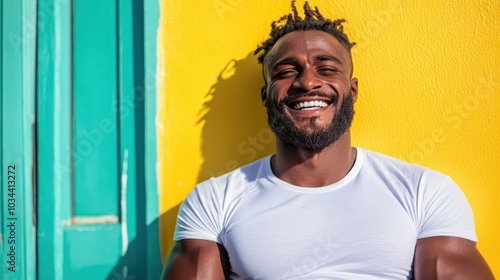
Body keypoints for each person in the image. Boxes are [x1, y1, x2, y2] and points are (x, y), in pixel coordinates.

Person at [162, 1, 495, 279]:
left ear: (352, 91)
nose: (307, 83)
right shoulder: (214, 202)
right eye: (286, 71)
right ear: (266, 96)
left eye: (326, 69)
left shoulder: (424, 191)